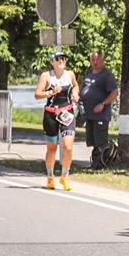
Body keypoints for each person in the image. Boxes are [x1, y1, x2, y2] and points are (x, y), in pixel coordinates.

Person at [35, 51, 78, 190]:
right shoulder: (46, 76)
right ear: (51, 62)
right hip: (51, 114)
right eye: (58, 59)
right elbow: (37, 94)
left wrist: (75, 93)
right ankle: (50, 177)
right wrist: (51, 92)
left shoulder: (70, 74)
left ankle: (64, 177)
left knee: (68, 147)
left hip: (67, 113)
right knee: (52, 148)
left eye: (63, 58)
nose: (61, 61)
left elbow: (75, 85)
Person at [78, 51, 118, 170]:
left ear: (103, 60)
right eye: (93, 60)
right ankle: (95, 163)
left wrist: (103, 104)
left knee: (101, 141)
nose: (95, 62)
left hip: (101, 115)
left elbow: (114, 92)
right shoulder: (89, 73)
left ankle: (100, 165)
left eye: (98, 60)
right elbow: (84, 88)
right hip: (89, 115)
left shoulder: (107, 75)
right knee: (93, 141)